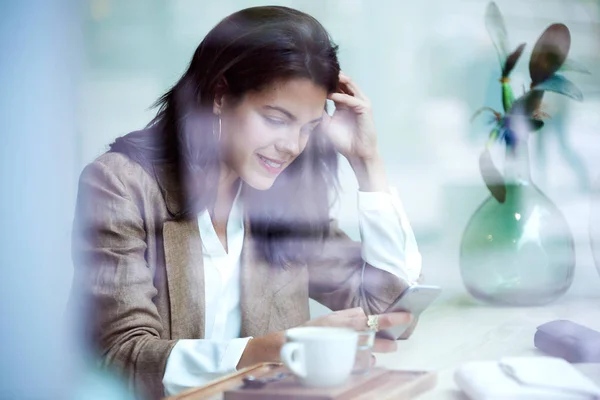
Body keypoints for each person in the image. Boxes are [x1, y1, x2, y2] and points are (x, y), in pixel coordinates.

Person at [71, 5, 422, 399]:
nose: (292, 146)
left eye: (307, 128)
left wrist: (367, 164)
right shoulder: (121, 184)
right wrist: (267, 350)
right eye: (275, 119)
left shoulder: (285, 199)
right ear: (220, 94)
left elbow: (391, 313)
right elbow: (123, 358)